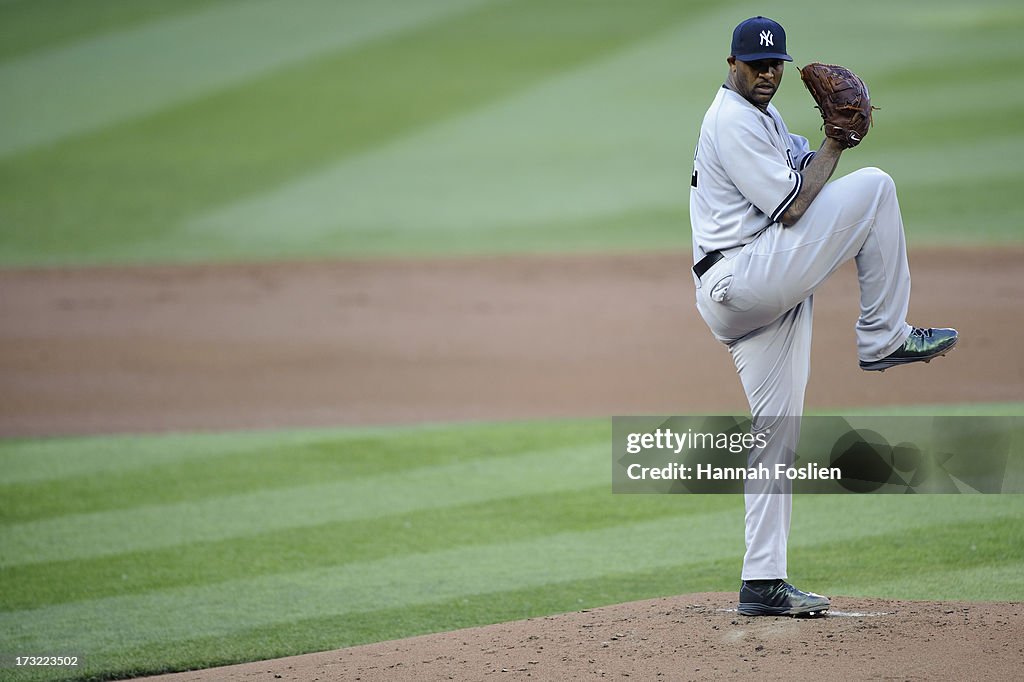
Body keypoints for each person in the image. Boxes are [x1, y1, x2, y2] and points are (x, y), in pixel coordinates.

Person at [688, 16, 958, 617]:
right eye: (756, 65)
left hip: (758, 290)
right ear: (730, 64)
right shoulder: (730, 120)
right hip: (744, 274)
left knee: (775, 434)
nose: (767, 74)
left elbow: (803, 179)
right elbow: (794, 208)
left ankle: (762, 583)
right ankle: (885, 336)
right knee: (877, 186)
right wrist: (837, 144)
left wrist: (823, 146)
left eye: (775, 64)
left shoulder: (765, 117)